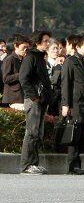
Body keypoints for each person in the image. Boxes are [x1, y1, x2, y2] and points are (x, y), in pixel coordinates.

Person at [18, 30, 53, 175]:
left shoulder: (40, 57)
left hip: (41, 100)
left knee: (38, 133)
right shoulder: (31, 57)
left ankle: (34, 163)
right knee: (31, 133)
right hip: (33, 100)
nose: (48, 43)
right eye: (45, 41)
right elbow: (23, 78)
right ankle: (26, 165)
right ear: (37, 41)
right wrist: (33, 97)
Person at [61, 34, 84, 175]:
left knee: (81, 135)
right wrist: (65, 104)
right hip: (75, 103)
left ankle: (77, 165)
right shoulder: (70, 61)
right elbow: (65, 84)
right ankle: (72, 166)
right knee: (74, 134)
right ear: (78, 47)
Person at [2, 34, 29, 110]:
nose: (25, 50)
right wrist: (21, 74)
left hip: (24, 96)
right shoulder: (9, 59)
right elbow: (5, 78)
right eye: (24, 47)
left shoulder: (25, 59)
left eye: (27, 48)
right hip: (14, 97)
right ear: (16, 46)